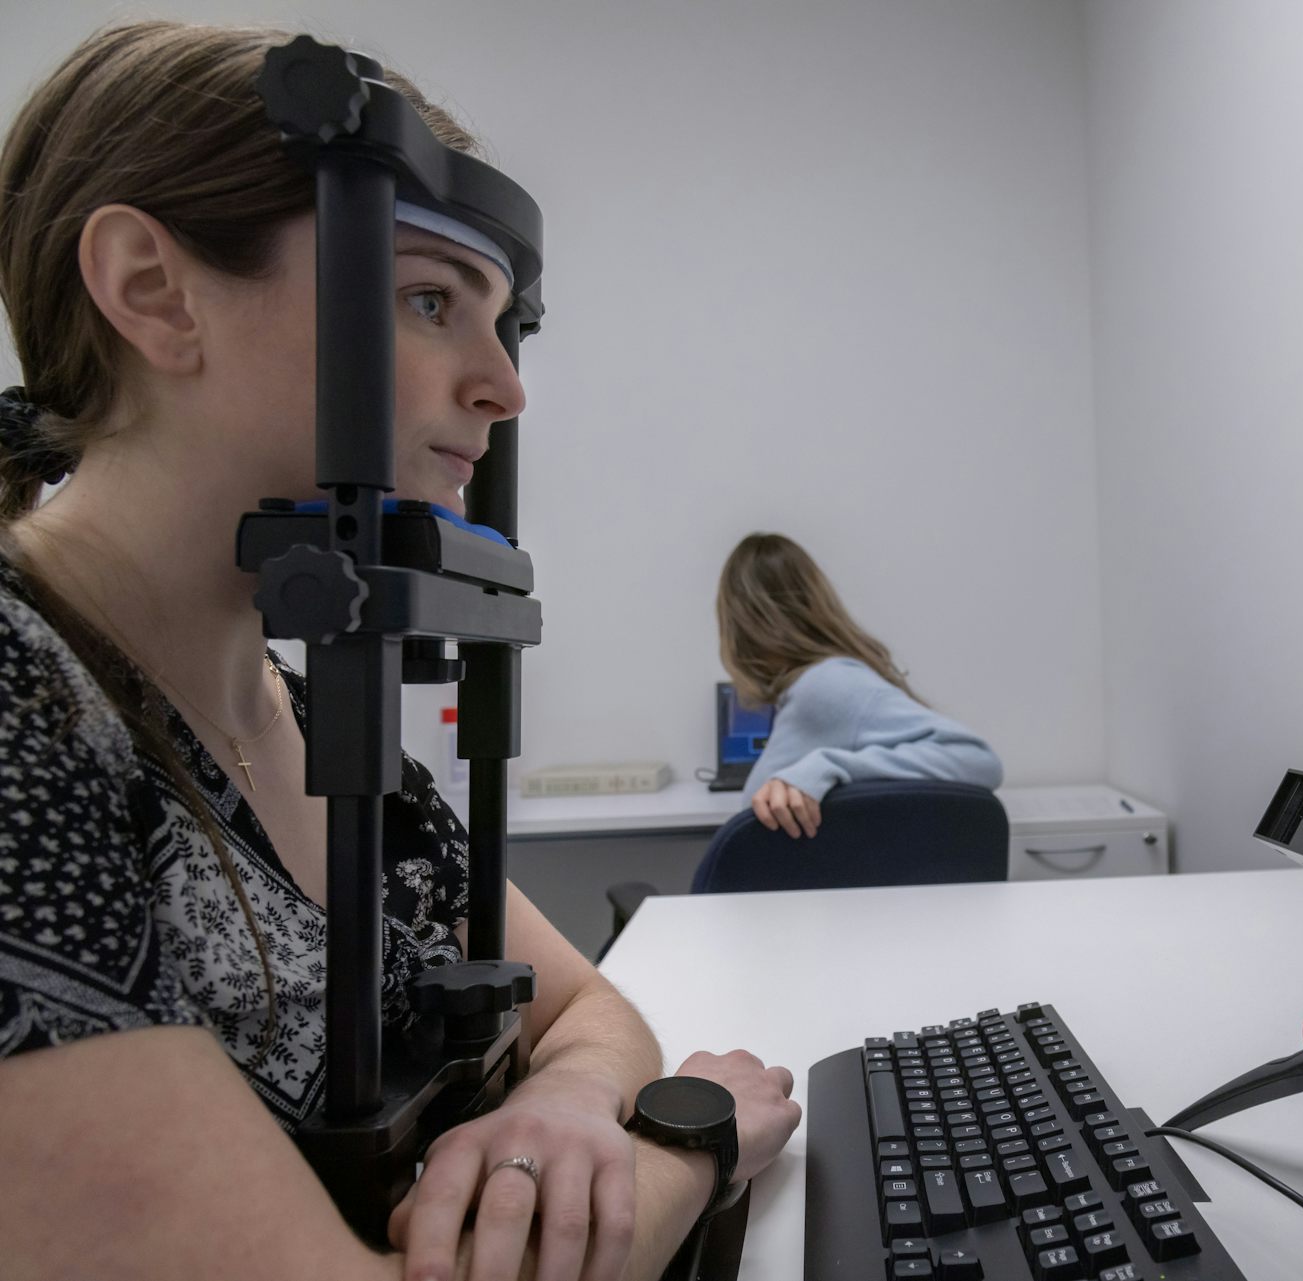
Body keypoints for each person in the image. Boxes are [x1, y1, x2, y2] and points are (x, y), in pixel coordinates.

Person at [0, 22, 799, 1281]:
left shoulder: (301, 706)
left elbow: (587, 1007)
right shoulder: (20, 709)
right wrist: (682, 1153)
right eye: (430, 300)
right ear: (153, 290)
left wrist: (569, 1109)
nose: (503, 387)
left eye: (500, 320)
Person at [716, 532, 1003, 839]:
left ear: (741, 623)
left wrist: (827, 766)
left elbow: (977, 760)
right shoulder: (806, 689)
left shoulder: (828, 684)